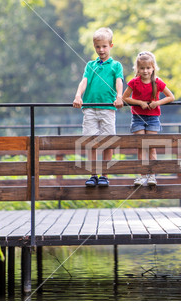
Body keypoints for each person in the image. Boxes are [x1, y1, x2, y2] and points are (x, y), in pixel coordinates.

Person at [73, 27, 124, 187]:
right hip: (89, 108)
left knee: (108, 140)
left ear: (111, 46)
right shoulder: (90, 65)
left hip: (107, 108)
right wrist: (78, 95)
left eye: (104, 46)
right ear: (94, 46)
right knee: (90, 141)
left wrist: (119, 96)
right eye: (97, 47)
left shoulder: (116, 65)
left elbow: (119, 81)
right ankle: (93, 174)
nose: (101, 50)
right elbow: (84, 81)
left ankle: (105, 175)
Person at [123, 51, 175, 186]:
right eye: (142, 68)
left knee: (151, 147)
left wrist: (157, 103)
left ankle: (152, 175)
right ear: (137, 69)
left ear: (153, 68)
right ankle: (142, 175)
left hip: (153, 118)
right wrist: (139, 102)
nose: (145, 71)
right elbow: (125, 98)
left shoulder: (158, 82)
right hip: (138, 117)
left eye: (148, 68)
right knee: (141, 146)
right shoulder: (134, 82)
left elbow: (171, 97)